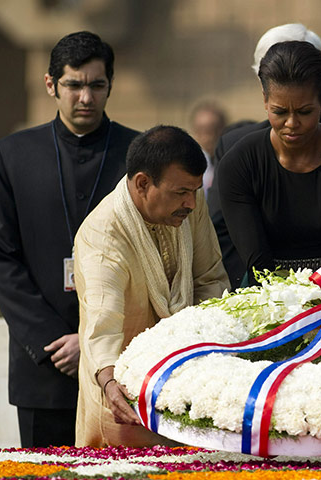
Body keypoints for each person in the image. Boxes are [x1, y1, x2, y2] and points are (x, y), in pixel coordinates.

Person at [0, 31, 138, 447]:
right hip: (45, 362)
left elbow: (156, 256)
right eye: (73, 85)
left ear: (110, 85)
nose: (85, 97)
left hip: (123, 365)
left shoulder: (140, 154)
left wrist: (92, 339)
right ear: (50, 85)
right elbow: (2, 258)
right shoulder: (12, 155)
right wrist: (52, 340)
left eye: (96, 85)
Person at [74, 125, 229, 447]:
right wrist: (110, 381)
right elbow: (102, 323)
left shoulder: (188, 207)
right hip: (125, 394)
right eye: (180, 192)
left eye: (195, 191)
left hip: (189, 383)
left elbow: (210, 278)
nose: (191, 203)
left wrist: (207, 349)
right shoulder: (103, 235)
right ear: (143, 183)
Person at [209, 23, 321, 288]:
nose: (292, 123)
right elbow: (257, 265)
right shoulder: (239, 163)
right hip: (268, 295)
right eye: (279, 111)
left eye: (305, 112)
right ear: (264, 100)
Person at [188, 100, 228, 197]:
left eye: (214, 130)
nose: (208, 137)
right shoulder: (187, 166)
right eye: (202, 130)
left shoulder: (231, 161)